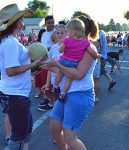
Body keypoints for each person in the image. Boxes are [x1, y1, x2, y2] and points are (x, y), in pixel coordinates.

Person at [42, 15, 99, 150]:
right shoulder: (71, 44)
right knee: (54, 128)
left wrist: (57, 65)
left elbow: (78, 74)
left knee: (70, 137)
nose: (67, 33)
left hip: (80, 95)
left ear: (77, 29)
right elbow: (63, 68)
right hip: (65, 94)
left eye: (69, 29)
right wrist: (45, 65)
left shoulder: (88, 48)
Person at [0, 4, 43, 150]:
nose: (24, 22)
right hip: (15, 95)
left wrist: (32, 72)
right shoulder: (11, 43)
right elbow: (11, 71)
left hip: (16, 94)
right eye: (22, 18)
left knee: (27, 128)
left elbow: (13, 70)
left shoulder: (11, 40)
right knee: (19, 135)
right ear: (17, 21)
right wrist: (34, 64)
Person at [53, 18, 100, 102]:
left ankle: (55, 87)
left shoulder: (67, 40)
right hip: (74, 64)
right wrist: (97, 56)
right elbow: (93, 53)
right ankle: (62, 93)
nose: (67, 33)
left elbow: (60, 51)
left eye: (67, 31)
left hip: (78, 92)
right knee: (69, 79)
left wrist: (56, 64)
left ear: (73, 31)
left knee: (60, 73)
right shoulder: (86, 43)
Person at [37, 15, 56, 111]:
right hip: (43, 60)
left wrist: (43, 49)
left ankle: (51, 102)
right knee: (44, 82)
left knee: (50, 83)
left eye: (52, 22)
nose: (51, 24)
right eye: (49, 22)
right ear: (45, 23)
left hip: (50, 61)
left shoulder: (55, 33)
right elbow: (42, 45)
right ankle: (47, 99)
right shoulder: (44, 34)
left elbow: (57, 46)